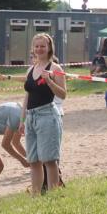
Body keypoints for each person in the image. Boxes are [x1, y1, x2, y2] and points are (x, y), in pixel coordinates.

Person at [20, 33, 66, 194]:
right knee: (33, 160)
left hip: (47, 115)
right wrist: (22, 119)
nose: (39, 49)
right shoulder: (30, 69)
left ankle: (53, 195)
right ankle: (35, 196)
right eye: (37, 46)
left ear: (49, 48)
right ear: (33, 48)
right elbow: (28, 95)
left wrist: (49, 81)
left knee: (49, 160)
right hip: (31, 117)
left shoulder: (55, 68)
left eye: (43, 46)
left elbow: (63, 94)